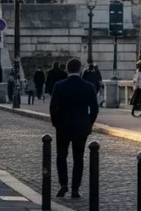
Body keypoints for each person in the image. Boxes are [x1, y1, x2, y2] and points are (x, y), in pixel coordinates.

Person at [49, 58, 99, 199]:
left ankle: (63, 184)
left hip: (63, 126)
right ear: (80, 69)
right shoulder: (89, 86)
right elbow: (94, 109)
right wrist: (89, 122)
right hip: (81, 126)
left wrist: (56, 123)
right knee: (78, 158)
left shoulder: (59, 85)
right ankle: (75, 189)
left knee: (61, 156)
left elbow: (53, 107)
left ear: (67, 70)